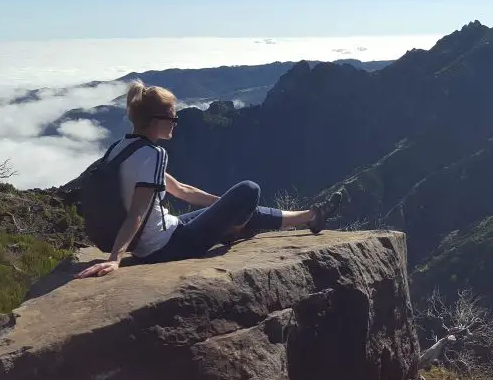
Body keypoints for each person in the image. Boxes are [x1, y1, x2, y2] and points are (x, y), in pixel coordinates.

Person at [77, 79, 344, 279]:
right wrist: (115, 259)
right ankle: (234, 228)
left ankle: (311, 216)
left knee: (237, 203)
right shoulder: (152, 155)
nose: (175, 122)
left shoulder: (121, 148)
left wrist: (224, 206)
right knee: (250, 190)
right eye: (173, 116)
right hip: (168, 246)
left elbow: (180, 190)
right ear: (157, 121)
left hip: (159, 237)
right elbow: (137, 212)